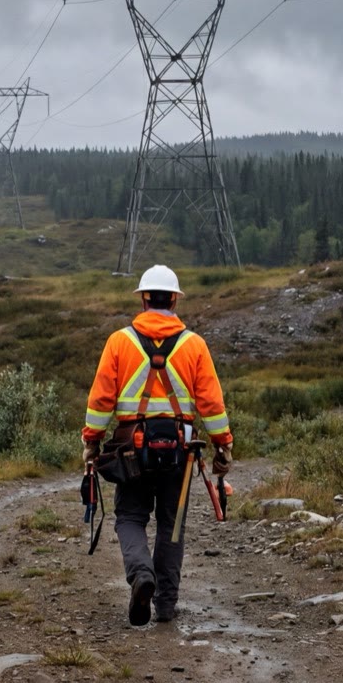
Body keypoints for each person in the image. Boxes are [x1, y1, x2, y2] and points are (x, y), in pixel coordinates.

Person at [81, 264, 231, 626]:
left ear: (145, 298)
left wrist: (91, 442)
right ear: (175, 299)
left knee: (130, 516)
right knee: (172, 524)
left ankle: (140, 574)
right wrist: (222, 446)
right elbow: (211, 403)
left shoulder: (119, 342)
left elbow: (101, 400)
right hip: (180, 450)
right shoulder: (194, 345)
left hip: (130, 450)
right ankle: (165, 604)